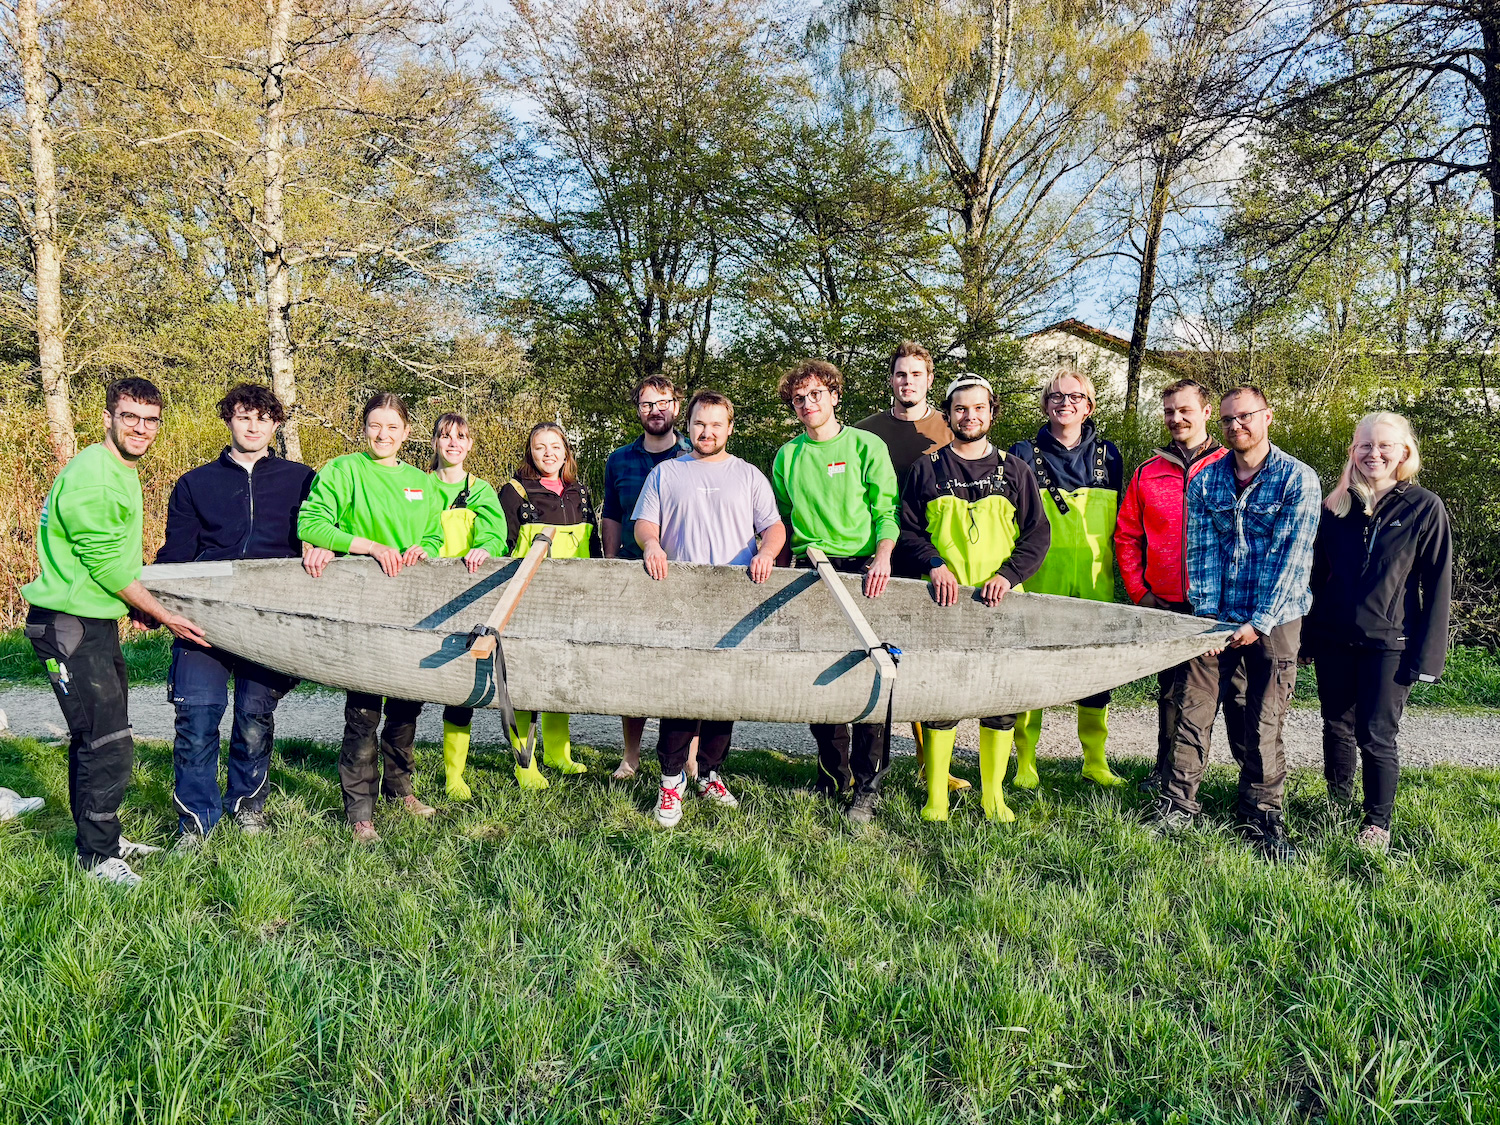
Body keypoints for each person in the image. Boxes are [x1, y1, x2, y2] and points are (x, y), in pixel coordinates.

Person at [22, 377, 207, 887]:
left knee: (98, 737)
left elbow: (110, 561)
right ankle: (97, 859)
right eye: (129, 416)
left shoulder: (117, 469)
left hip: (92, 620)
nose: (140, 428)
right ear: (108, 417)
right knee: (109, 743)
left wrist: (133, 607)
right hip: (67, 625)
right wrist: (164, 615)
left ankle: (99, 838)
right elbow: (104, 562)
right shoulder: (97, 476)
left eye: (150, 420)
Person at [1153, 385, 1321, 862]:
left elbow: (1291, 560)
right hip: (1217, 617)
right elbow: (1201, 553)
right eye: (1227, 420)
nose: (1235, 426)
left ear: (1267, 417)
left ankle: (1261, 815)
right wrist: (1210, 622)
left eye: (1244, 417)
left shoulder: (1296, 479)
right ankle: (1177, 805)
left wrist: (1259, 622)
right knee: (1193, 708)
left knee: (1261, 718)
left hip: (1276, 618)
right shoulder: (1207, 482)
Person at [155, 383, 314, 846]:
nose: (253, 426)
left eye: (263, 418)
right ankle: (196, 822)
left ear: (276, 425)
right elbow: (177, 555)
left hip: (268, 617)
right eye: (244, 416)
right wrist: (153, 603)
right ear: (229, 420)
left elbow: (324, 532)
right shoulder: (194, 483)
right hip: (204, 617)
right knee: (197, 720)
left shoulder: (303, 478)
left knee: (252, 717)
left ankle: (247, 808)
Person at [897, 374, 1050, 823]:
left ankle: (993, 796)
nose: (970, 416)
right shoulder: (927, 468)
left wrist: (1009, 575)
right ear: (949, 414)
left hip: (1001, 603)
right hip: (943, 602)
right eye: (961, 409)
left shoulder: (1015, 470)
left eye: (979, 408)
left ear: (991, 411)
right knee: (943, 698)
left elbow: (1037, 535)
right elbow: (907, 529)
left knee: (999, 699)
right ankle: (937, 797)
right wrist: (933, 563)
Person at [633, 390, 785, 827]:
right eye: (700, 423)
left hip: (734, 598)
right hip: (680, 598)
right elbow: (646, 522)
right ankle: (670, 779)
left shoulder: (748, 475)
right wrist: (652, 544)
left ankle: (711, 773)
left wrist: (768, 553)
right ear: (691, 423)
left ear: (729, 428)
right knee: (681, 693)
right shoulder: (666, 473)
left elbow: (772, 527)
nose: (707, 431)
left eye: (716, 424)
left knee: (724, 693)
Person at [299, 392, 445, 843]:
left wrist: (427, 549)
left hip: (411, 607)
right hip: (362, 605)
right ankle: (360, 809)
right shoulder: (344, 470)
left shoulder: (423, 483)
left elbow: (435, 536)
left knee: (406, 705)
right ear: (364, 428)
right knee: (364, 712)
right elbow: (311, 524)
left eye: (393, 428)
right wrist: (367, 546)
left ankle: (401, 789)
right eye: (375, 426)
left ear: (406, 433)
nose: (383, 435)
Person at [1306, 412, 1451, 852]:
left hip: (1391, 642)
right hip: (1334, 637)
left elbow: (1438, 582)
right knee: (1336, 725)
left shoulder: (1424, 507)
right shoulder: (1335, 506)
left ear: (1404, 452)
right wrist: (1308, 637)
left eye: (1384, 445)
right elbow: (1316, 576)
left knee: (1375, 733)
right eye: (1365, 445)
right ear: (1353, 451)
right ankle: (1338, 802)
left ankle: (1376, 823)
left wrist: (1429, 657)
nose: (1374, 453)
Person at [771, 359, 900, 823]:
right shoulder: (787, 456)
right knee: (820, 678)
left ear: (834, 395)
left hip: (866, 573)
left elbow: (887, 509)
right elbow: (783, 518)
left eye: (816, 394)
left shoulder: (866, 446)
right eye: (799, 399)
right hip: (813, 571)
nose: (808, 404)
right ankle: (832, 776)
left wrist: (883, 556)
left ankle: (868, 787)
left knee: (871, 678)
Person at [854, 339, 968, 796]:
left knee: (927, 658)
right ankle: (866, 763)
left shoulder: (948, 427)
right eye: (901, 374)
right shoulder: (866, 431)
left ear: (929, 380)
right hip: (880, 556)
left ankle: (929, 763)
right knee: (880, 655)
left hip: (932, 555)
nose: (908, 381)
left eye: (916, 374)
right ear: (891, 380)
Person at [1007, 369, 1126, 788]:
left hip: (1095, 580)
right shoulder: (1021, 452)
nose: (1065, 403)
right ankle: (1025, 761)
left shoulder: (1109, 455)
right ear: (1044, 405)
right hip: (1040, 578)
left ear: (1089, 405)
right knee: (1032, 669)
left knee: (1096, 670)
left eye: (1075, 396)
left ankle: (1095, 760)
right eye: (1055, 396)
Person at [1113, 379, 1229, 791]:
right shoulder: (1149, 471)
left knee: (1228, 698)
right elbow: (1127, 535)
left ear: (1206, 412)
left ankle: (1238, 783)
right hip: (1164, 602)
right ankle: (1165, 773)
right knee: (1170, 694)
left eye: (1184, 410)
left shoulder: (1230, 464)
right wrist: (1140, 592)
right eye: (1169, 412)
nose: (1176, 419)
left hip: (1219, 606)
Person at [496, 422, 602, 787]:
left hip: (574, 601)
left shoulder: (580, 492)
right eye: (540, 447)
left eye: (555, 446)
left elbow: (596, 547)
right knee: (527, 681)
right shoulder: (513, 492)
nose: (548, 454)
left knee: (562, 676)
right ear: (530, 452)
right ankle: (524, 762)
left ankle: (559, 754)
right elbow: (503, 545)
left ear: (566, 451)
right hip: (530, 601)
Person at [601, 376, 691, 780]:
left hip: (686, 575)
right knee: (632, 666)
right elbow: (612, 516)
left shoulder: (695, 454)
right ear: (637, 410)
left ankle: (689, 758)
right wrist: (609, 563)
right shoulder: (618, 459)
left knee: (686, 668)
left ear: (676, 406)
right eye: (646, 404)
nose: (655, 410)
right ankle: (631, 756)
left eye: (663, 403)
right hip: (633, 573)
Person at [423, 412, 508, 801]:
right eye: (445, 436)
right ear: (435, 442)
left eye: (460, 437)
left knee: (462, 688)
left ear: (469, 445)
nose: (453, 443)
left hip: (469, 594)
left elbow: (496, 534)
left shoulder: (482, 490)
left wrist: (485, 547)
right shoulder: (418, 486)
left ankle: (455, 774)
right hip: (423, 593)